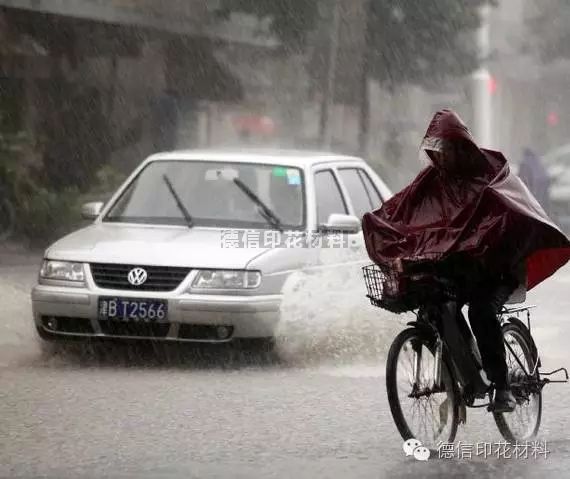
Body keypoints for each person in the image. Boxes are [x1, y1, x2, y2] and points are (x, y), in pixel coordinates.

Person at [362, 109, 570, 414]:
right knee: (437, 306)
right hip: (461, 270)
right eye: (436, 151)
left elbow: (505, 216)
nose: (441, 158)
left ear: (461, 147)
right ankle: (467, 377)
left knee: (481, 311)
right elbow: (402, 211)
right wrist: (377, 223)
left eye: (445, 150)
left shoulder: (490, 174)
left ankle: (501, 387)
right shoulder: (432, 181)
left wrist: (479, 245)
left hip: (499, 269)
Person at [518, 147, 550, 213]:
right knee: (542, 202)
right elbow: (545, 175)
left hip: (533, 185)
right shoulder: (538, 161)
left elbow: (522, 176)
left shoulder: (524, 162)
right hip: (543, 184)